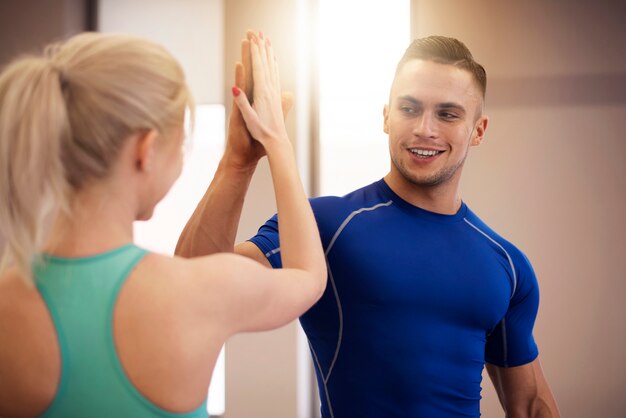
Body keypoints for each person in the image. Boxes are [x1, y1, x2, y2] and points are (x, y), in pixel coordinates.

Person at [177, 35, 562, 417]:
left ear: (478, 131)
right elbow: (194, 283)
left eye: (447, 114)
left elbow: (529, 405)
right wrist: (238, 161)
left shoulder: (507, 266)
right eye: (409, 109)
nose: (424, 128)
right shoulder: (323, 227)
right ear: (385, 117)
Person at [0, 31, 326, 417]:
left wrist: (237, 162)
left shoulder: (8, 303)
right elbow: (308, 275)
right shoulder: (192, 294)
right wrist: (276, 139)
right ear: (146, 150)